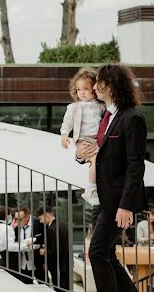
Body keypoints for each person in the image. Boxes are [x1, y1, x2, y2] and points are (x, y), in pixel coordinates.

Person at [76, 63, 147, 292]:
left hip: (117, 201)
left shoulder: (131, 118)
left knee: (96, 252)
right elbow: (95, 151)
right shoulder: (106, 117)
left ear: (111, 85)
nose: (94, 87)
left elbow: (136, 166)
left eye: (98, 82)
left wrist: (126, 205)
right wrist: (79, 155)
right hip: (101, 198)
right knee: (106, 253)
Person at [59, 67, 105, 207]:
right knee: (96, 160)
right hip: (83, 139)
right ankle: (91, 188)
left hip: (97, 139)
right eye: (79, 90)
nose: (82, 93)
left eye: (86, 89)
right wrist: (64, 135)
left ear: (94, 89)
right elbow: (67, 122)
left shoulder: (101, 105)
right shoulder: (74, 107)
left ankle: (93, 188)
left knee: (98, 162)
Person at [37, 206, 71, 291]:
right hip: (66, 264)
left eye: (41, 219)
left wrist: (44, 252)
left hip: (57, 265)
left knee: (58, 288)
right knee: (66, 287)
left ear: (46, 216)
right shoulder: (63, 225)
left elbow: (56, 250)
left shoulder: (51, 229)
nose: (40, 222)